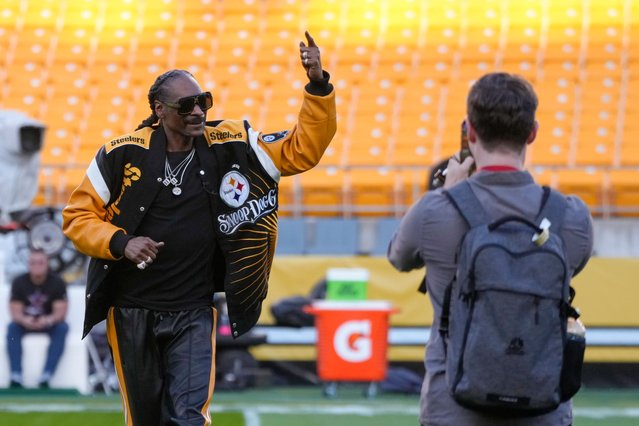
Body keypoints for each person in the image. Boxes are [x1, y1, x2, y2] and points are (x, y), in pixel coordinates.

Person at [62, 31, 335, 425]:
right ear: (159, 110)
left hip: (193, 310)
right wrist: (121, 242)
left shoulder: (233, 142)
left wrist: (317, 85)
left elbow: (301, 150)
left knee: (190, 417)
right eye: (186, 104)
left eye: (203, 101)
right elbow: (76, 218)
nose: (198, 111)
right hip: (130, 312)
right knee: (145, 419)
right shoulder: (121, 152)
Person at [387, 72, 593, 426]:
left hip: (452, 408)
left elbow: (399, 257)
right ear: (532, 133)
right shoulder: (571, 216)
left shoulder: (435, 210)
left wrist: (444, 194)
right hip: (543, 408)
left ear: (470, 132)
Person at [6, 249, 69, 389]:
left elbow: (61, 311)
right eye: (33, 262)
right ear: (28, 264)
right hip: (25, 322)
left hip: (49, 322)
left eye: (41, 262)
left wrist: (48, 320)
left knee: (62, 328)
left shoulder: (57, 282)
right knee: (12, 328)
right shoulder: (19, 282)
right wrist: (24, 320)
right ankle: (16, 374)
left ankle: (46, 375)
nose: (37, 266)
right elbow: (15, 310)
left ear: (47, 264)